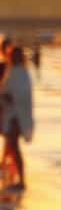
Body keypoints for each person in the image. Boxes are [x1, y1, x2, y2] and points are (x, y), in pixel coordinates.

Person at [1, 45, 34, 191]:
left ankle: (21, 181)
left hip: (17, 116)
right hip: (12, 115)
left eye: (17, 55)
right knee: (11, 145)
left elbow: (21, 95)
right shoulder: (13, 71)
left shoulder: (21, 73)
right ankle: (7, 168)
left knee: (14, 147)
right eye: (12, 55)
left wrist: (8, 98)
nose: (14, 57)